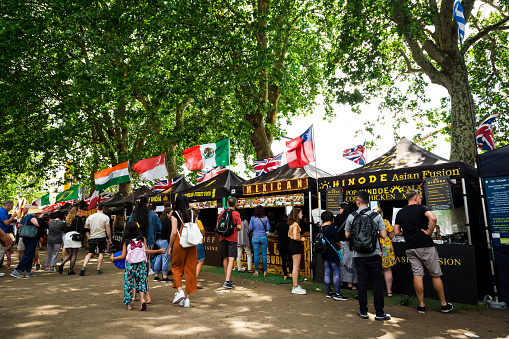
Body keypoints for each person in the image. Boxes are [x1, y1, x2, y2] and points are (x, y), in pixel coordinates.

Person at [394, 189, 453, 314]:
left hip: (410, 247)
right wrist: (429, 232)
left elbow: (397, 232)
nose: (421, 200)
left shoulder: (400, 212)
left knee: (417, 275)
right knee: (435, 274)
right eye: (420, 197)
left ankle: (421, 305)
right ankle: (443, 304)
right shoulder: (421, 208)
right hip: (425, 245)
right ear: (416, 198)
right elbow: (433, 219)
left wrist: (409, 233)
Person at [345, 190, 390, 321]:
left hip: (358, 255)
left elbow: (347, 235)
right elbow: (383, 235)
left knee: (362, 282)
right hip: (374, 253)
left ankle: (363, 311)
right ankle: (380, 313)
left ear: (357, 202)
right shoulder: (376, 216)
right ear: (369, 202)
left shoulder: (351, 216)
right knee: (377, 283)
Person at [111, 221, 165, 311]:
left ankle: (129, 304)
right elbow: (146, 251)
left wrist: (113, 258)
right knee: (141, 282)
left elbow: (123, 256)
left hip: (130, 266)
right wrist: (158, 251)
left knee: (128, 284)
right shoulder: (142, 239)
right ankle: (142, 299)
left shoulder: (126, 241)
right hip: (141, 264)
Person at [169, 194, 198, 307]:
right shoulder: (193, 213)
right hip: (191, 243)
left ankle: (180, 291)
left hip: (179, 243)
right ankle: (187, 299)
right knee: (190, 269)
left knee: (176, 267)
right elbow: (195, 229)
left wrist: (170, 246)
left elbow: (173, 232)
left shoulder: (175, 214)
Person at [129, 196, 162, 275]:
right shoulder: (153, 214)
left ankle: (138, 273)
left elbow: (129, 227)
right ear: (147, 204)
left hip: (135, 241)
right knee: (146, 258)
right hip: (149, 241)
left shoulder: (133, 215)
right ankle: (145, 272)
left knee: (136, 257)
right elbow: (159, 228)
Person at [321, 210, 348, 301]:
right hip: (333, 252)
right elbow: (337, 240)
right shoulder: (332, 228)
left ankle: (329, 292)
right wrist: (339, 245)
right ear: (331, 218)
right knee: (336, 272)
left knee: (327, 271)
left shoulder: (321, 227)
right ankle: (337, 293)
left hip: (324, 252)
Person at [80, 203, 111, 276]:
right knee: (100, 253)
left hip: (92, 237)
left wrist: (88, 236)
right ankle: (98, 269)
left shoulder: (90, 217)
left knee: (90, 252)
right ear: (103, 208)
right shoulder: (106, 217)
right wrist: (109, 238)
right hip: (101, 237)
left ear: (96, 208)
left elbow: (86, 227)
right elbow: (108, 229)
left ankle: (84, 266)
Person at [11, 206, 42, 278]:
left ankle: (28, 271)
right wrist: (40, 220)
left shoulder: (26, 217)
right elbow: (37, 224)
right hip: (31, 238)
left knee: (29, 254)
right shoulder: (32, 217)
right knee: (28, 254)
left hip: (26, 237)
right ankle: (17, 270)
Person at [217, 197, 242, 289]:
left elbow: (217, 225)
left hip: (222, 237)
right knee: (231, 258)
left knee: (225, 258)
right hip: (232, 238)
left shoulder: (222, 212)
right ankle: (227, 281)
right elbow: (240, 227)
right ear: (235, 204)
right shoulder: (236, 213)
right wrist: (234, 228)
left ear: (227, 203)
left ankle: (226, 278)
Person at [373, 206, 396, 297]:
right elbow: (391, 236)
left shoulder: (371, 222)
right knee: (387, 269)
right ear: (381, 213)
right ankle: (389, 291)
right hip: (386, 247)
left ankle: (377, 291)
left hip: (375, 246)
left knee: (375, 269)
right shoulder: (386, 222)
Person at [336, 203, 357, 290]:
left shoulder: (337, 217)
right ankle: (350, 284)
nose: (339, 210)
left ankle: (340, 282)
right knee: (350, 264)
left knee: (341, 263)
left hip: (340, 244)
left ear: (343, 209)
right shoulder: (352, 218)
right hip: (350, 244)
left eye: (339, 208)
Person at [59, 207, 85, 275]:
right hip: (75, 236)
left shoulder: (67, 218)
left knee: (69, 253)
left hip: (67, 236)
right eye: (78, 211)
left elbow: (64, 228)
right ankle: (70, 270)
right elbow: (81, 228)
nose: (79, 212)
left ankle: (62, 264)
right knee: (74, 253)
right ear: (76, 212)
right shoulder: (78, 219)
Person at [288, 207, 306, 295]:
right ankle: (295, 286)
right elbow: (295, 237)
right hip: (295, 245)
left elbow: (289, 235)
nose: (302, 215)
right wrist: (301, 239)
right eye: (301, 213)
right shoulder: (295, 224)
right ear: (297, 214)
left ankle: (295, 285)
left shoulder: (291, 224)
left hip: (292, 245)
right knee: (296, 266)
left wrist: (294, 237)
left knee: (295, 266)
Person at [249, 205, 270, 277]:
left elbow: (250, 228)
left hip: (255, 237)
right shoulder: (266, 218)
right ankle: (265, 272)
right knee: (264, 255)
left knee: (256, 255)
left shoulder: (252, 218)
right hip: (264, 237)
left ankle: (256, 271)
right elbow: (268, 228)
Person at [153, 207, 172, 283]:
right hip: (165, 241)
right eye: (171, 213)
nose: (172, 214)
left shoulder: (159, 221)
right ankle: (164, 277)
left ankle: (156, 276)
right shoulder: (169, 222)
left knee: (158, 258)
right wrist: (170, 244)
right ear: (167, 214)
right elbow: (169, 234)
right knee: (165, 259)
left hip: (158, 241)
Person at [0, 200, 17, 271]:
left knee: (2, 252)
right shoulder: (2, 211)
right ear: (8, 206)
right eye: (12, 207)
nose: (12, 208)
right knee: (1, 252)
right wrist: (13, 216)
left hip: (3, 234)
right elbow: (6, 223)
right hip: (2, 235)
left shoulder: (3, 211)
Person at [274, 214, 292, 280]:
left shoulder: (279, 224)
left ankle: (285, 275)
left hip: (281, 245)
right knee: (290, 260)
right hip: (288, 244)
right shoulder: (289, 225)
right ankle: (290, 273)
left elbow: (275, 232)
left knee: (283, 260)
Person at [193, 208, 206, 289]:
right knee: (200, 261)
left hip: (190, 245)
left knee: (192, 263)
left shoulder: (186, 223)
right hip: (198, 244)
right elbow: (203, 233)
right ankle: (194, 280)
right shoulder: (198, 222)